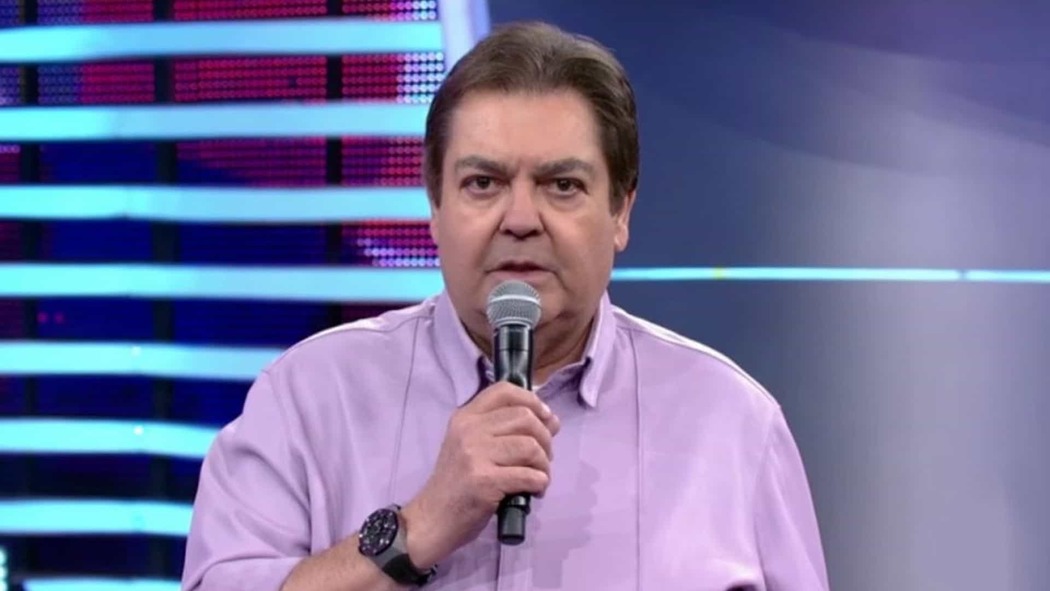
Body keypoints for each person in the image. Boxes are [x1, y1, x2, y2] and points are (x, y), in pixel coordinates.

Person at [181, 21, 829, 591]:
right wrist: (418, 528)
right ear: (435, 207)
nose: (520, 219)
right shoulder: (307, 399)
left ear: (621, 211)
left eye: (562, 185)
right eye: (483, 183)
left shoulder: (732, 424)